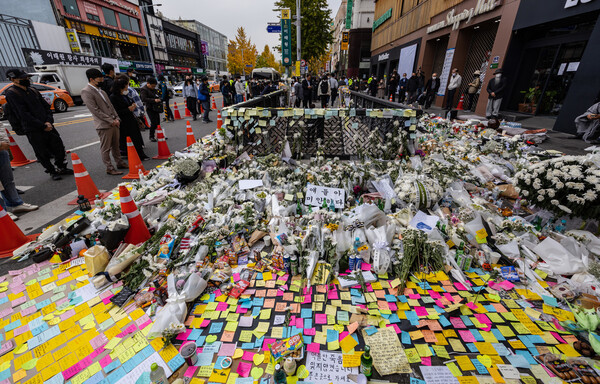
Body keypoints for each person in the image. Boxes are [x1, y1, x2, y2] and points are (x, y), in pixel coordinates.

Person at [4, 68, 72, 180]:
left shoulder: (33, 90)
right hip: (33, 129)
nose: (26, 79)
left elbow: (46, 107)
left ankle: (61, 167)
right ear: (13, 79)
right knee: (42, 152)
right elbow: (23, 114)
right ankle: (52, 171)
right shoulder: (12, 94)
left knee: (58, 146)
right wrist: (42, 125)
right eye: (23, 78)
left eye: (27, 77)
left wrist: (49, 121)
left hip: (47, 125)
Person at [81, 68, 127, 175]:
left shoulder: (101, 91)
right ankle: (109, 168)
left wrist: (116, 118)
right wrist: (110, 120)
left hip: (114, 122)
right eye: (99, 78)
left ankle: (119, 162)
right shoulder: (86, 91)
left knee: (116, 145)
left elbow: (110, 106)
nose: (102, 80)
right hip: (104, 125)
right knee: (106, 148)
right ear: (91, 79)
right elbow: (95, 110)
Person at [0, 125, 38, 220]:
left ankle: (16, 203)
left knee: (7, 179)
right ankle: (2, 212)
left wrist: (4, 142)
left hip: (2, 148)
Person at [109, 75, 148, 160]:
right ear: (122, 86)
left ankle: (140, 154)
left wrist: (133, 106)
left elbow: (130, 103)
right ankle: (134, 155)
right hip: (124, 122)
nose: (128, 87)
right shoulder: (113, 97)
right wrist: (128, 109)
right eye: (127, 85)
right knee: (129, 139)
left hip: (131, 119)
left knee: (136, 137)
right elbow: (116, 111)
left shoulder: (124, 95)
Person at [140, 77, 162, 142]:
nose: (153, 87)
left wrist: (158, 98)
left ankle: (159, 134)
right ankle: (151, 136)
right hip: (150, 108)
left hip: (156, 107)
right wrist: (154, 100)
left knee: (158, 122)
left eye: (154, 86)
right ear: (148, 84)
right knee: (153, 122)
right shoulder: (144, 89)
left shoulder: (154, 89)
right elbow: (144, 99)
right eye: (152, 86)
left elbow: (157, 94)